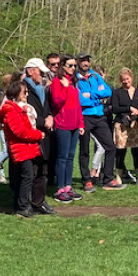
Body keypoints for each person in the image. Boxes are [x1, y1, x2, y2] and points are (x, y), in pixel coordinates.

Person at [74, 54, 119, 191]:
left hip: (99, 116)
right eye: (82, 61)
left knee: (110, 146)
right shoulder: (75, 78)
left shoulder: (95, 76)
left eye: (87, 60)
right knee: (84, 150)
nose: (86, 63)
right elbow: (79, 99)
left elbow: (108, 91)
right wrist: (97, 96)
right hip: (84, 116)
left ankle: (108, 179)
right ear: (78, 62)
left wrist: (91, 95)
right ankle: (86, 181)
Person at [0, 78, 43, 217]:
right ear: (16, 93)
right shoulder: (12, 111)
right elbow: (20, 132)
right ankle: (22, 206)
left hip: (25, 149)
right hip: (20, 150)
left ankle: (21, 204)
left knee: (23, 177)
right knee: (27, 177)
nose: (26, 95)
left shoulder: (17, 110)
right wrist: (38, 135)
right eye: (24, 92)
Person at [48, 56, 84, 203]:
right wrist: (64, 87)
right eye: (70, 65)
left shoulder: (74, 83)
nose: (73, 68)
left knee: (70, 157)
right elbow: (56, 103)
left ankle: (68, 186)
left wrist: (81, 123)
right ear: (63, 66)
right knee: (62, 157)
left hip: (74, 124)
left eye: (74, 66)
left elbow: (77, 105)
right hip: (62, 124)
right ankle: (60, 188)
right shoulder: (57, 82)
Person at [22, 58, 55, 215]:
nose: (42, 75)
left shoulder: (41, 88)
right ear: (30, 71)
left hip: (44, 132)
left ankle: (39, 201)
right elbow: (26, 111)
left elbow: (46, 107)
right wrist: (42, 121)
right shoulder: (23, 88)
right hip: (31, 133)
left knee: (43, 168)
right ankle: (25, 202)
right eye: (40, 72)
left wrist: (50, 117)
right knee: (31, 170)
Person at [111, 68, 138, 184]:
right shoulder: (117, 92)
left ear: (131, 78)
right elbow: (114, 108)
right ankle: (119, 177)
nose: (126, 81)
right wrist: (128, 109)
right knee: (120, 151)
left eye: (127, 79)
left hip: (136, 124)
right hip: (122, 124)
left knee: (136, 151)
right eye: (123, 80)